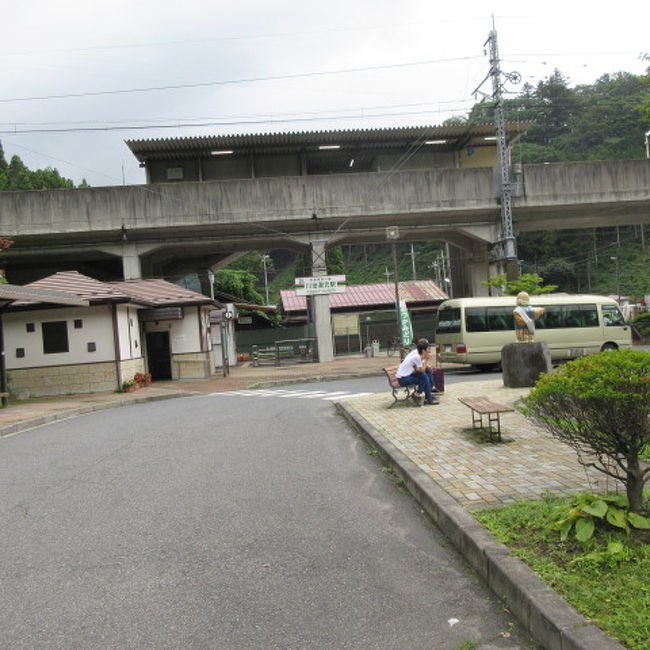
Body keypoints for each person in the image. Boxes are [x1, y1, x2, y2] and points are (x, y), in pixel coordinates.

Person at [395, 338, 439, 405]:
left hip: (407, 375)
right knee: (424, 377)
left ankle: (426, 397)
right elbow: (422, 370)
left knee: (424, 375)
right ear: (423, 351)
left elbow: (419, 369)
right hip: (403, 379)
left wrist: (425, 360)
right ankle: (419, 395)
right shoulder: (417, 356)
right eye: (428, 349)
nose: (429, 351)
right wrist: (426, 360)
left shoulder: (418, 355)